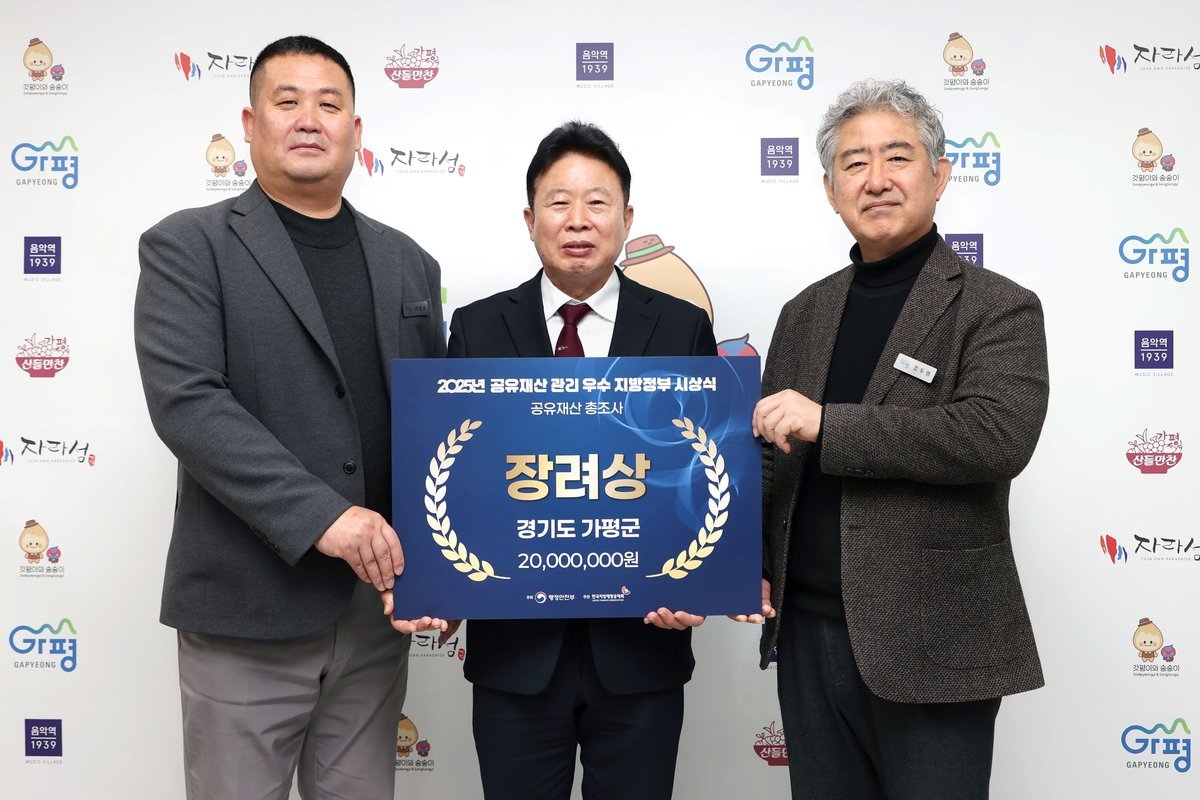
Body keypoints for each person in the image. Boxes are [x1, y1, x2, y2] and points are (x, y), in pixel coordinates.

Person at [133, 35, 446, 800]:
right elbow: (189, 404)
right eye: (288, 101)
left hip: (375, 616)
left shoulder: (410, 262)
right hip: (249, 611)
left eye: (329, 104)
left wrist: (446, 570)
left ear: (356, 131)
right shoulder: (188, 246)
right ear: (250, 124)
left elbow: (436, 426)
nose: (310, 118)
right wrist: (325, 518)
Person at [750, 79, 1049, 799]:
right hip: (807, 637)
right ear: (830, 190)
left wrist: (830, 422)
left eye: (897, 157)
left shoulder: (998, 306)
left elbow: (995, 435)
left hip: (935, 642)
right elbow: (771, 461)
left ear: (939, 175)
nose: (876, 179)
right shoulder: (803, 312)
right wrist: (743, 563)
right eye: (854, 163)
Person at [431, 121, 715, 799]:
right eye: (558, 202)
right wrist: (442, 581)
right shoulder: (477, 327)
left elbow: (703, 474)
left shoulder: (681, 327)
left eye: (597, 202)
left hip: (643, 651)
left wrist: (703, 581)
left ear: (627, 219)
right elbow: (455, 475)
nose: (578, 220)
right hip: (515, 658)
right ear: (530, 219)